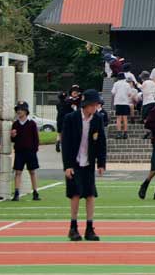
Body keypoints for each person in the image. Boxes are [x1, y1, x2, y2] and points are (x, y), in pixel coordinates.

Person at [61, 89, 106, 241]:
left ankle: (89, 227)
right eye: (93, 105)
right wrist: (67, 165)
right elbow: (66, 143)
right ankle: (73, 227)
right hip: (74, 162)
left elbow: (101, 142)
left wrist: (101, 163)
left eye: (96, 105)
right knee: (75, 194)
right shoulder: (71, 118)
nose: (95, 108)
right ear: (85, 105)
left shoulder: (97, 119)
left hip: (89, 162)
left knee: (90, 194)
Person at [9, 101, 40, 201]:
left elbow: (36, 138)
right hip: (19, 152)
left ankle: (35, 192)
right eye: (18, 109)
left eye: (21, 109)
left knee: (32, 172)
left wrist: (34, 149)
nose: (19, 111)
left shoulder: (32, 123)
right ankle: (16, 192)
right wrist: (12, 136)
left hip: (30, 151)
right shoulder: (15, 124)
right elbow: (13, 140)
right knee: (18, 172)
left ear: (26, 111)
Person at [110, 72, 135, 140]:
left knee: (118, 118)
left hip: (118, 103)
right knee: (125, 118)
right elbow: (130, 94)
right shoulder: (127, 84)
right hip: (125, 103)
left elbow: (113, 92)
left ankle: (118, 133)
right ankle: (125, 133)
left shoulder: (116, 83)